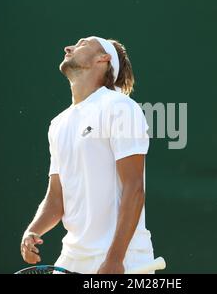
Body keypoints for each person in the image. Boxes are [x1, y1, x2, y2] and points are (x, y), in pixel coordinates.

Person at [20, 36, 154, 274]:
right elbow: (56, 199)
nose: (68, 47)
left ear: (103, 59)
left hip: (122, 259)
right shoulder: (58, 124)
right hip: (71, 259)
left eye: (82, 44)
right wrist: (33, 230)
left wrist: (115, 260)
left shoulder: (120, 107)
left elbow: (134, 188)